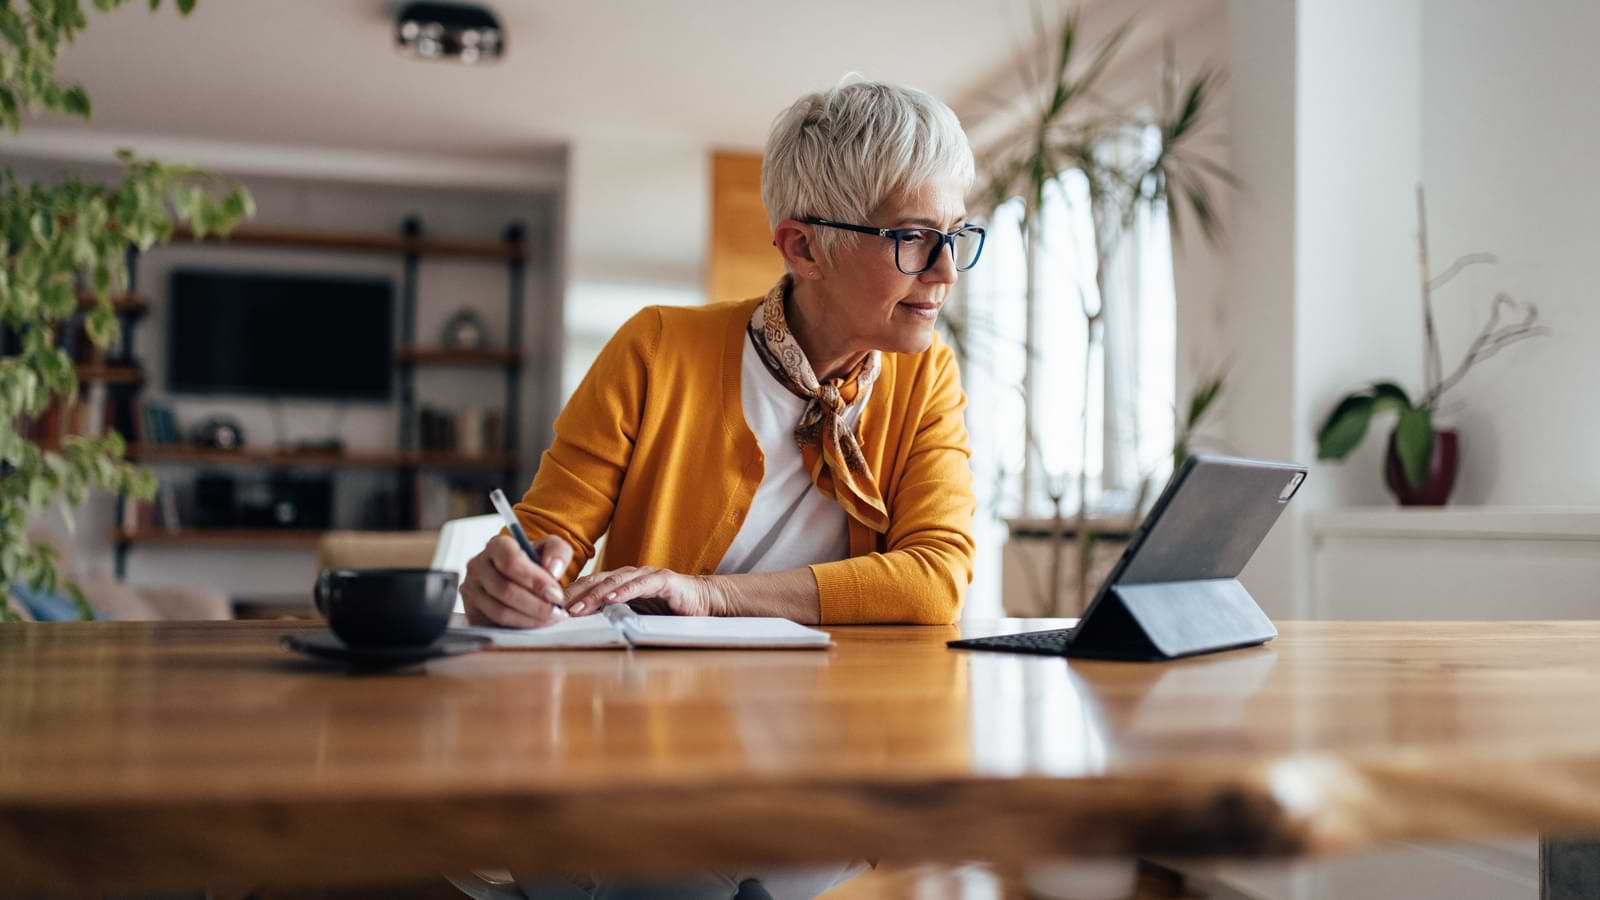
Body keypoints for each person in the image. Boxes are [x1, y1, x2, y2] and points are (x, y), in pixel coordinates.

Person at [460, 80, 981, 639]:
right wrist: (505, 580)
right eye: (912, 237)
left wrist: (712, 596)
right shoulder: (655, 349)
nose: (946, 271)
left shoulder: (927, 377)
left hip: (844, 708)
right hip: (658, 711)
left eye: (955, 235)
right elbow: (544, 538)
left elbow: (935, 578)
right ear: (803, 247)